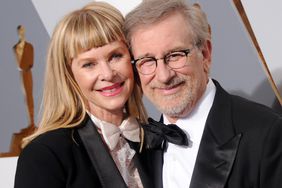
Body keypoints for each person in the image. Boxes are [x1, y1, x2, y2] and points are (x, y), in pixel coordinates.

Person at [124, 0, 282, 187]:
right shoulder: (142, 149)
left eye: (175, 55)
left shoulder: (267, 134)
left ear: (205, 54)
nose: (164, 76)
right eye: (147, 60)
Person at [14, 2, 153, 188]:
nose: (108, 74)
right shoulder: (45, 154)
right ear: (69, 75)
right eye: (89, 64)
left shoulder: (156, 141)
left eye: (115, 56)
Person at [13, 25, 35, 127]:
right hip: (22, 74)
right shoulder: (15, 48)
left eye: (23, 30)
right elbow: (19, 64)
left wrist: (25, 67)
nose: (21, 32)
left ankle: (32, 121)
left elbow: (31, 62)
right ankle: (29, 121)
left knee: (30, 95)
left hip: (28, 73)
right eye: (20, 30)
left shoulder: (30, 46)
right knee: (25, 97)